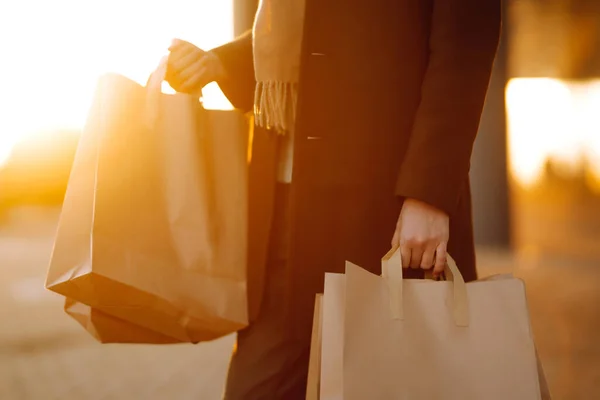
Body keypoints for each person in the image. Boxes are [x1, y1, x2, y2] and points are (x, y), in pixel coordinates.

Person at [167, 0, 501, 398]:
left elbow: (464, 43)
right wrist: (220, 62)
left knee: (384, 385)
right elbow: (303, 31)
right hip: (282, 213)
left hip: (382, 212)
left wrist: (429, 194)